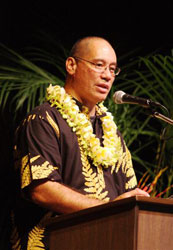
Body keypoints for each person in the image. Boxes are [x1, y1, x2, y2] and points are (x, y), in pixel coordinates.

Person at [10, 36, 149, 249]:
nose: (107, 76)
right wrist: (109, 208)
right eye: (99, 65)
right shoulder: (44, 120)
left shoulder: (111, 132)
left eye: (113, 69)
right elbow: (43, 189)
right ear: (71, 65)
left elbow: (129, 199)